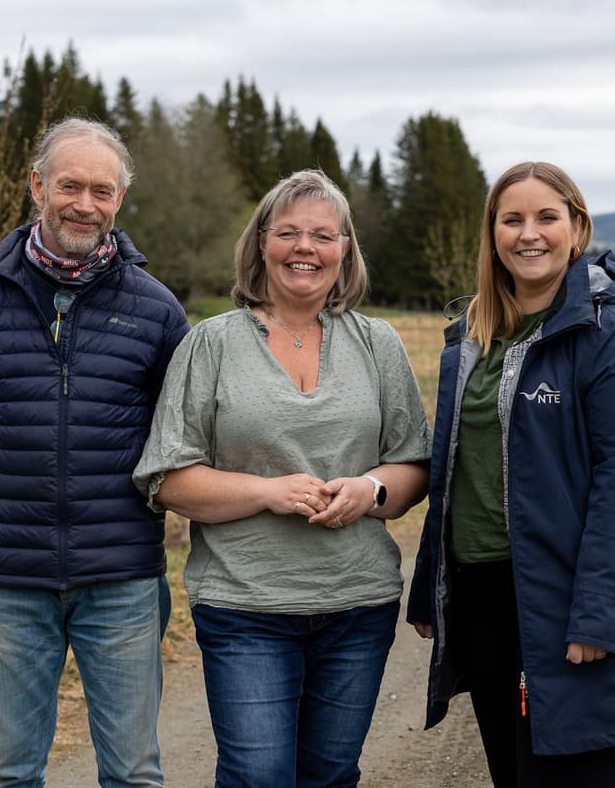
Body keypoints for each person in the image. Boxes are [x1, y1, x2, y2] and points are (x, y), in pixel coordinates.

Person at [133, 169, 431, 788]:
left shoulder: (378, 344)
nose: (305, 248)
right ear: (261, 242)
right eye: (289, 232)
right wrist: (268, 492)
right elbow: (168, 479)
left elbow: (414, 465)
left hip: (357, 604)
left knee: (330, 775)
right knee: (258, 775)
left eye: (323, 235)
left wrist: (370, 491)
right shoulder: (210, 344)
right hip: (245, 606)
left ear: (344, 249)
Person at [406, 161, 615, 787]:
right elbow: (456, 470)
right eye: (512, 219)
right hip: (481, 595)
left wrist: (599, 614)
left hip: (563, 596)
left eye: (546, 217)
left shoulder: (608, 332)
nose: (528, 233)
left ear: (577, 228)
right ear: (493, 235)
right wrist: (432, 582)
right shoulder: (472, 339)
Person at [0, 117, 189, 788]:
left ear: (119, 200)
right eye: (70, 185)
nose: (84, 204)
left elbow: (176, 434)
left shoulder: (157, 311)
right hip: (10, 576)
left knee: (133, 772)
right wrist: (2, 502)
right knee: (12, 773)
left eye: (102, 191)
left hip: (122, 575)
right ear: (38, 185)